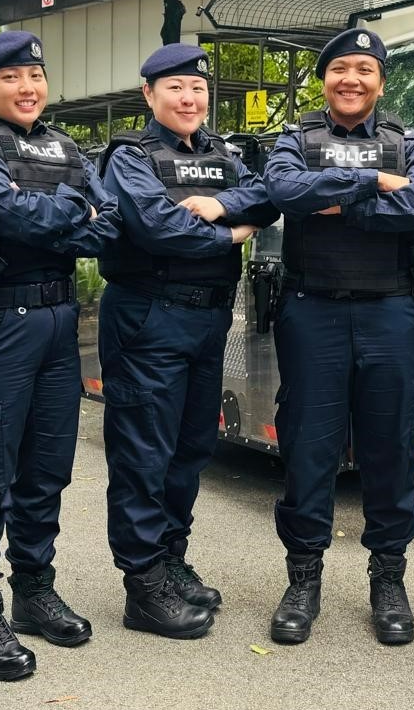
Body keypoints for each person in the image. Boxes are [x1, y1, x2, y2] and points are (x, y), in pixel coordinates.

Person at [0, 30, 119, 681]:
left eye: (35, 76)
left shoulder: (63, 145)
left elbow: (112, 222)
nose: (28, 87)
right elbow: (22, 221)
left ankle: (32, 591)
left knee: (46, 471)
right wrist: (73, 207)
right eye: (11, 77)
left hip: (59, 321)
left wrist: (62, 212)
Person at [261, 27, 414, 646]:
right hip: (312, 309)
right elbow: (284, 191)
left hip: (392, 312)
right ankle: (303, 578)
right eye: (341, 69)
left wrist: (337, 200)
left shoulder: (410, 141)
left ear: (380, 81)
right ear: (325, 79)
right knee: (308, 447)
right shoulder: (296, 138)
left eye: (365, 71)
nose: (352, 80)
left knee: (391, 446)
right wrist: (375, 185)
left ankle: (389, 580)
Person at [97, 43, 278, 639]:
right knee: (144, 452)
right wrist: (233, 234)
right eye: (175, 88)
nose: (190, 98)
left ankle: (171, 557)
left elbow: (270, 197)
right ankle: (142, 584)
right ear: (150, 95)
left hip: (207, 319)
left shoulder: (225, 154)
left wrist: (228, 206)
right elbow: (156, 227)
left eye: (198, 89)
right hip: (149, 315)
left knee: (190, 448)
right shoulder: (129, 155)